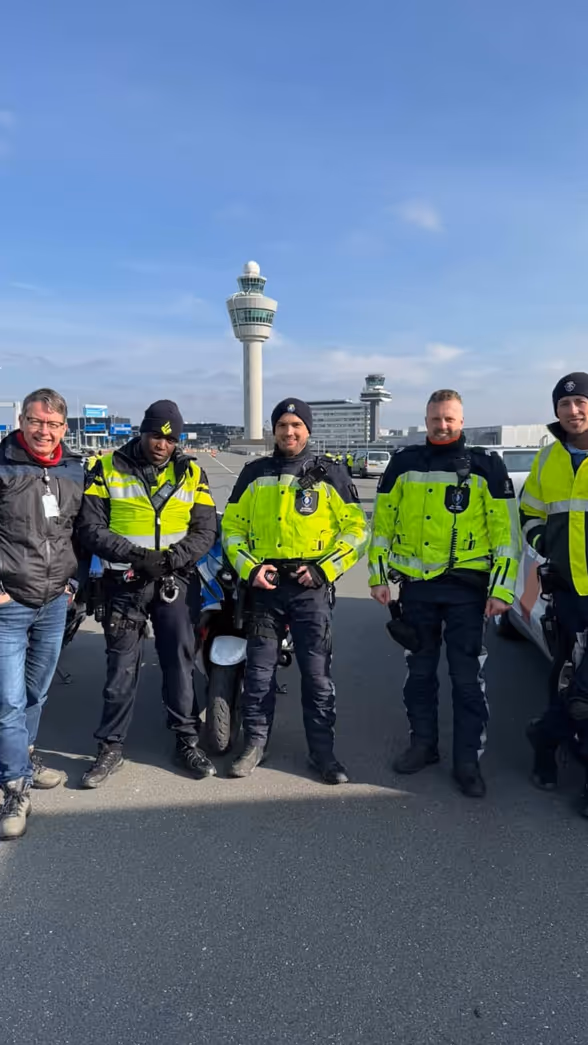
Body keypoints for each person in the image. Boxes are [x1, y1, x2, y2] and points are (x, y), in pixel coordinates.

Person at [368, 389, 521, 798]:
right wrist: (378, 577)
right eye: (436, 419)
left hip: (468, 593)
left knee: (467, 680)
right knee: (418, 675)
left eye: (450, 419)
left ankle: (467, 760)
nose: (442, 426)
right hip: (417, 591)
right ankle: (423, 745)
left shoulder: (487, 466)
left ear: (461, 420)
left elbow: (506, 536)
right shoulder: (403, 463)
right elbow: (382, 524)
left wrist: (502, 589)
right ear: (426, 419)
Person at [221, 397, 369, 783]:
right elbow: (232, 529)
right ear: (274, 430)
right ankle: (255, 744)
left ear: (308, 430)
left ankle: (323, 753)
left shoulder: (330, 473)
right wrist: (250, 568)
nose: (290, 432)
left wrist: (325, 569)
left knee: (317, 676)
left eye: (297, 425)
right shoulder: (253, 473)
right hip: (265, 590)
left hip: (310, 592)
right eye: (283, 425)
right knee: (259, 673)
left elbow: (357, 531)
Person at [77, 400, 217, 787]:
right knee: (121, 668)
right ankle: (110, 747)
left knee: (180, 663)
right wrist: (138, 556)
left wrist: (171, 559)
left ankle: (186, 739)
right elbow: (90, 528)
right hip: (124, 584)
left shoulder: (192, 473)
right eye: (156, 435)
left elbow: (205, 530)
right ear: (143, 432)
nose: (163, 444)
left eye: (171, 438)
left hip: (174, 582)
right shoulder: (104, 469)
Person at [0, 389, 84, 840]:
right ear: (22, 420)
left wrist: (74, 584)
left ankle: (23, 758)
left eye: (53, 425)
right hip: (9, 603)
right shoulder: (4, 464)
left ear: (64, 428)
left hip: (55, 601)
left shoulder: (73, 469)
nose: (44, 431)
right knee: (8, 700)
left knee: (36, 691)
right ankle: (14, 788)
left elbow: (81, 531)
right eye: (36, 422)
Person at [522, 373, 588, 817]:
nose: (573, 411)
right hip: (568, 586)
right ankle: (548, 740)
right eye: (565, 405)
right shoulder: (546, 460)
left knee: (584, 687)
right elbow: (529, 511)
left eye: (581, 402)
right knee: (566, 668)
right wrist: (547, 546)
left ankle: (546, 736)